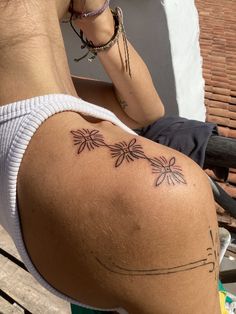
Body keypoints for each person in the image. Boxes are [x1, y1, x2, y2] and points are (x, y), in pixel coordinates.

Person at [0, 0, 220, 313]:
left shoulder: (23, 98)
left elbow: (145, 110)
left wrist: (99, 21)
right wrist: (97, 17)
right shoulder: (160, 193)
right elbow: (145, 114)